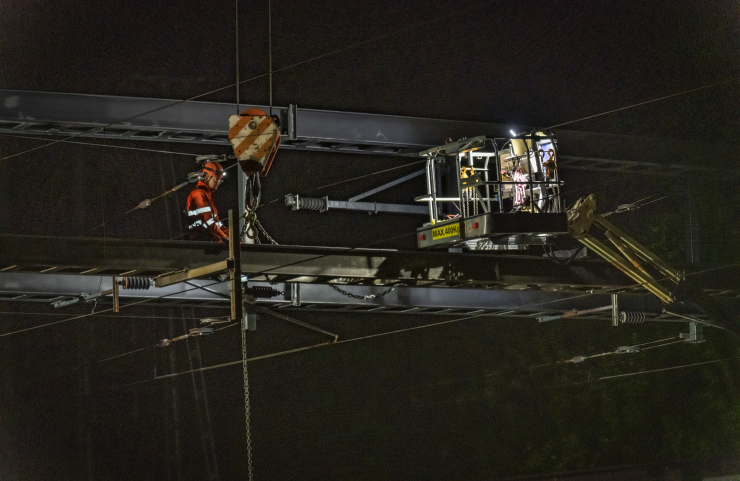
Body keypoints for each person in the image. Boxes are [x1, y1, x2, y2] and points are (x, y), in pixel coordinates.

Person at [186, 161, 229, 242]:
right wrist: (224, 237)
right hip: (200, 240)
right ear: (206, 177)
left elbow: (216, 221)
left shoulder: (208, 195)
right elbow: (208, 221)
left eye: (220, 180)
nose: (218, 183)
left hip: (207, 238)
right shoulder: (198, 194)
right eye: (216, 180)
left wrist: (228, 232)